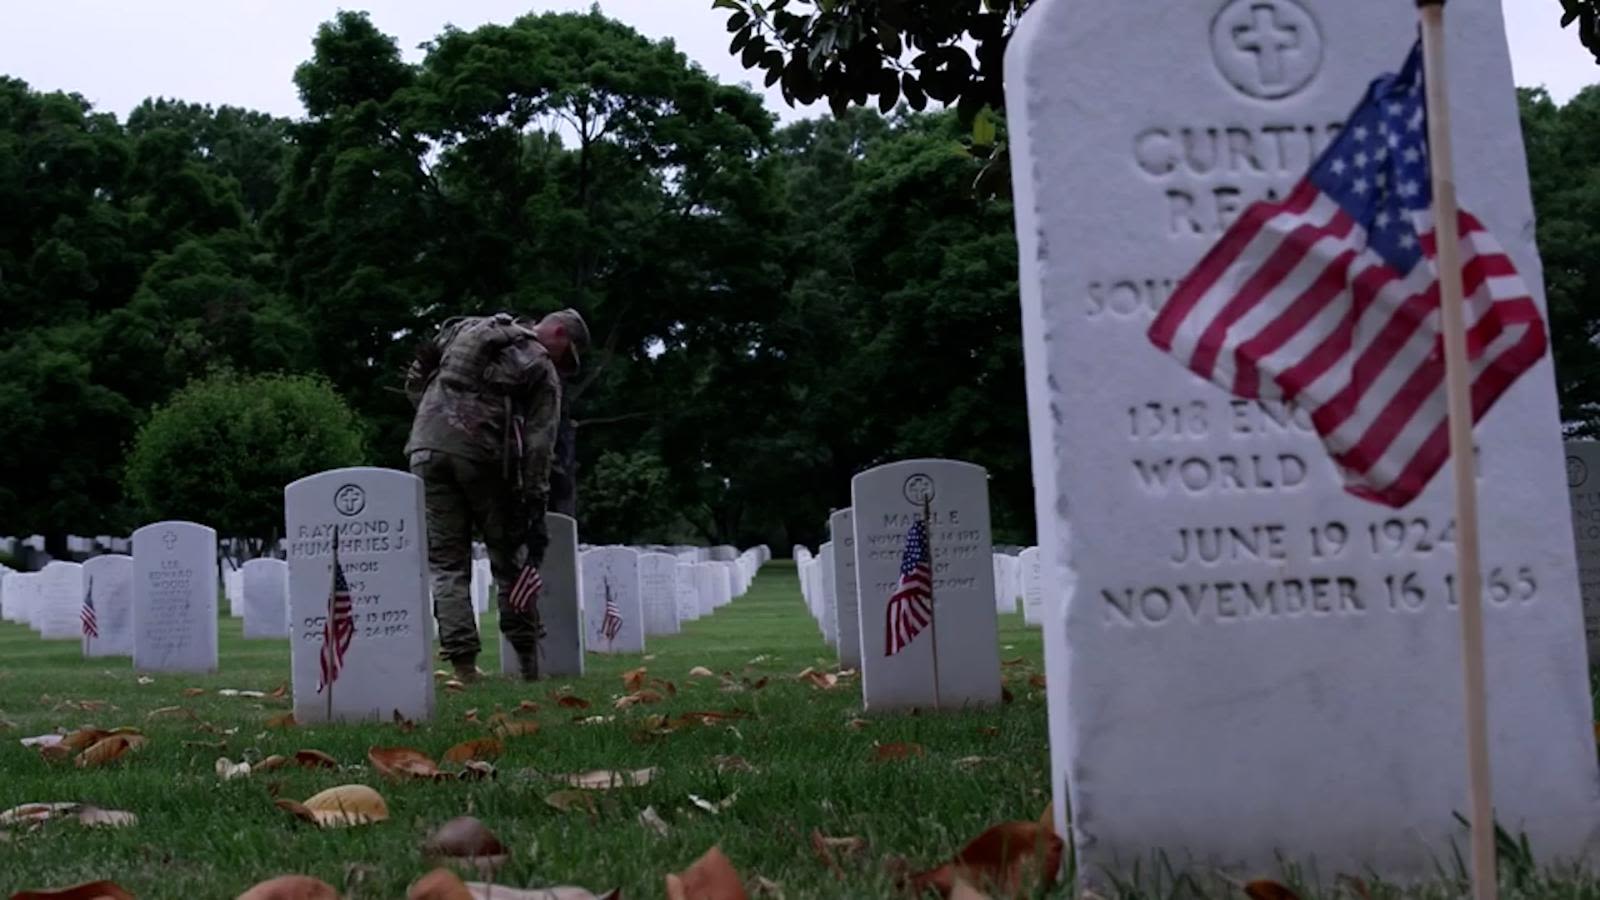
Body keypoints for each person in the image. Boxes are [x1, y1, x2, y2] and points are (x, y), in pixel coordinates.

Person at [404, 308, 590, 682]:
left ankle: (463, 666)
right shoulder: (540, 364)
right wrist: (534, 501)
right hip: (485, 459)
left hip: (426, 448)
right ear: (557, 332)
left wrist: (439, 422)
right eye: (566, 353)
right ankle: (527, 664)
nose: (562, 363)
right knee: (509, 558)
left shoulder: (467, 328)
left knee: (446, 565)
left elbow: (416, 378)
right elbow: (540, 443)